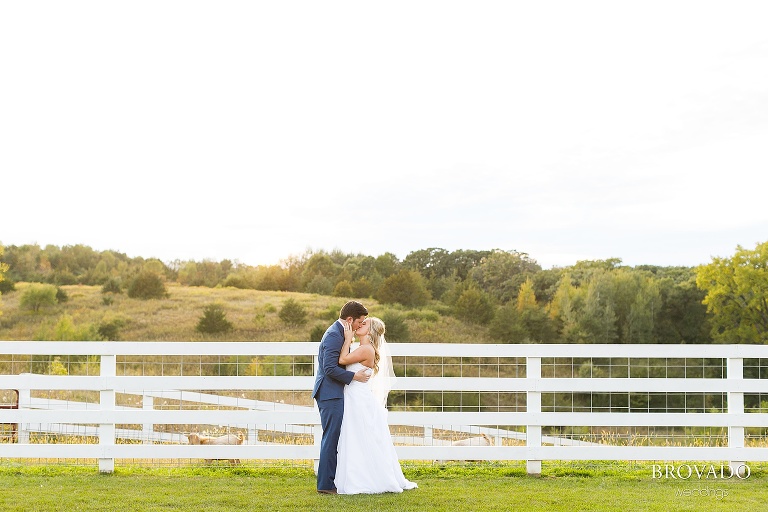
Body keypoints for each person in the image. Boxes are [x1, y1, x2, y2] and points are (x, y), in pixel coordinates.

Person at [334, 317, 418, 494]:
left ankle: (364, 479)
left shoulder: (365, 349)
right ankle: (361, 475)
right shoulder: (362, 348)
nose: (359, 325)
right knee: (357, 437)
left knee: (358, 436)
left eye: (364, 324)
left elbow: (342, 360)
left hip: (358, 398)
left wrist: (347, 338)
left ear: (370, 332)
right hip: (354, 396)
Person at [312, 300, 371, 494]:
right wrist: (354, 376)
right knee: (331, 438)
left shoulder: (339, 333)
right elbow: (329, 368)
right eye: (359, 322)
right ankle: (326, 485)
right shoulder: (333, 336)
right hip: (329, 394)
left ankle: (330, 481)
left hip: (333, 392)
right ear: (350, 319)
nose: (359, 326)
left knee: (333, 438)